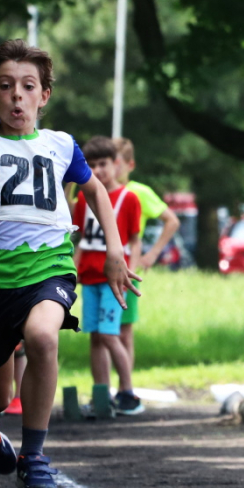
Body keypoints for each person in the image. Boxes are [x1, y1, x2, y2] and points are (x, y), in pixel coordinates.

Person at [0, 38, 138, 488]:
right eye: (6, 87)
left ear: (44, 95)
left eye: (28, 86)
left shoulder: (61, 146)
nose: (17, 96)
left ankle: (35, 455)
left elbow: (97, 192)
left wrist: (115, 251)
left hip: (49, 267)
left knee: (44, 337)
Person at [87, 137, 180, 387]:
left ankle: (125, 389)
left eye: (115, 163)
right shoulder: (94, 191)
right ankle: (105, 389)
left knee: (123, 332)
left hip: (125, 269)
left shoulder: (138, 193)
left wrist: (151, 255)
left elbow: (171, 221)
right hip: (97, 269)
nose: (110, 170)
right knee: (101, 334)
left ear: (126, 164)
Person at [72, 136, 144, 416]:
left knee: (111, 334)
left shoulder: (129, 198)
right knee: (95, 336)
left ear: (116, 164)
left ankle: (127, 393)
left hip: (114, 277)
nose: (98, 171)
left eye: (103, 164)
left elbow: (135, 240)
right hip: (89, 276)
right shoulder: (82, 197)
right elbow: (81, 239)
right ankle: (101, 394)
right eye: (91, 166)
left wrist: (131, 270)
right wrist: (73, 270)